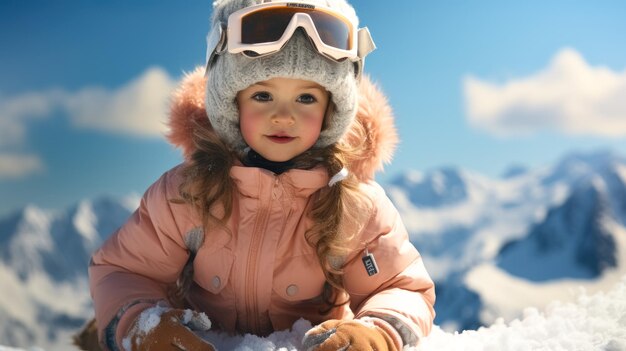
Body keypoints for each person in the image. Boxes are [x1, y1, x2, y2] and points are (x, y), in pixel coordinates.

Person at [88, 0, 436, 350]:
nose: (283, 116)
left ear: (332, 111)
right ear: (232, 103)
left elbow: (399, 287)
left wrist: (375, 333)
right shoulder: (186, 194)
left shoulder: (355, 204)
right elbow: (126, 272)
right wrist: (144, 326)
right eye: (263, 95)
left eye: (305, 98)